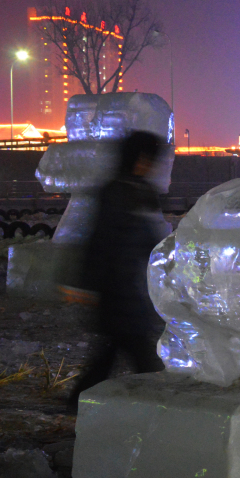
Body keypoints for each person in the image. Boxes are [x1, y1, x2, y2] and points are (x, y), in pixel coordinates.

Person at [68, 131, 169, 411]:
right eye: (144, 158)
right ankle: (158, 405)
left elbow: (150, 239)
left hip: (132, 287)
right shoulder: (116, 191)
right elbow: (99, 241)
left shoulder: (141, 190)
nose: (148, 165)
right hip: (116, 288)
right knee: (137, 351)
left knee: (110, 354)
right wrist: (89, 285)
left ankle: (76, 403)